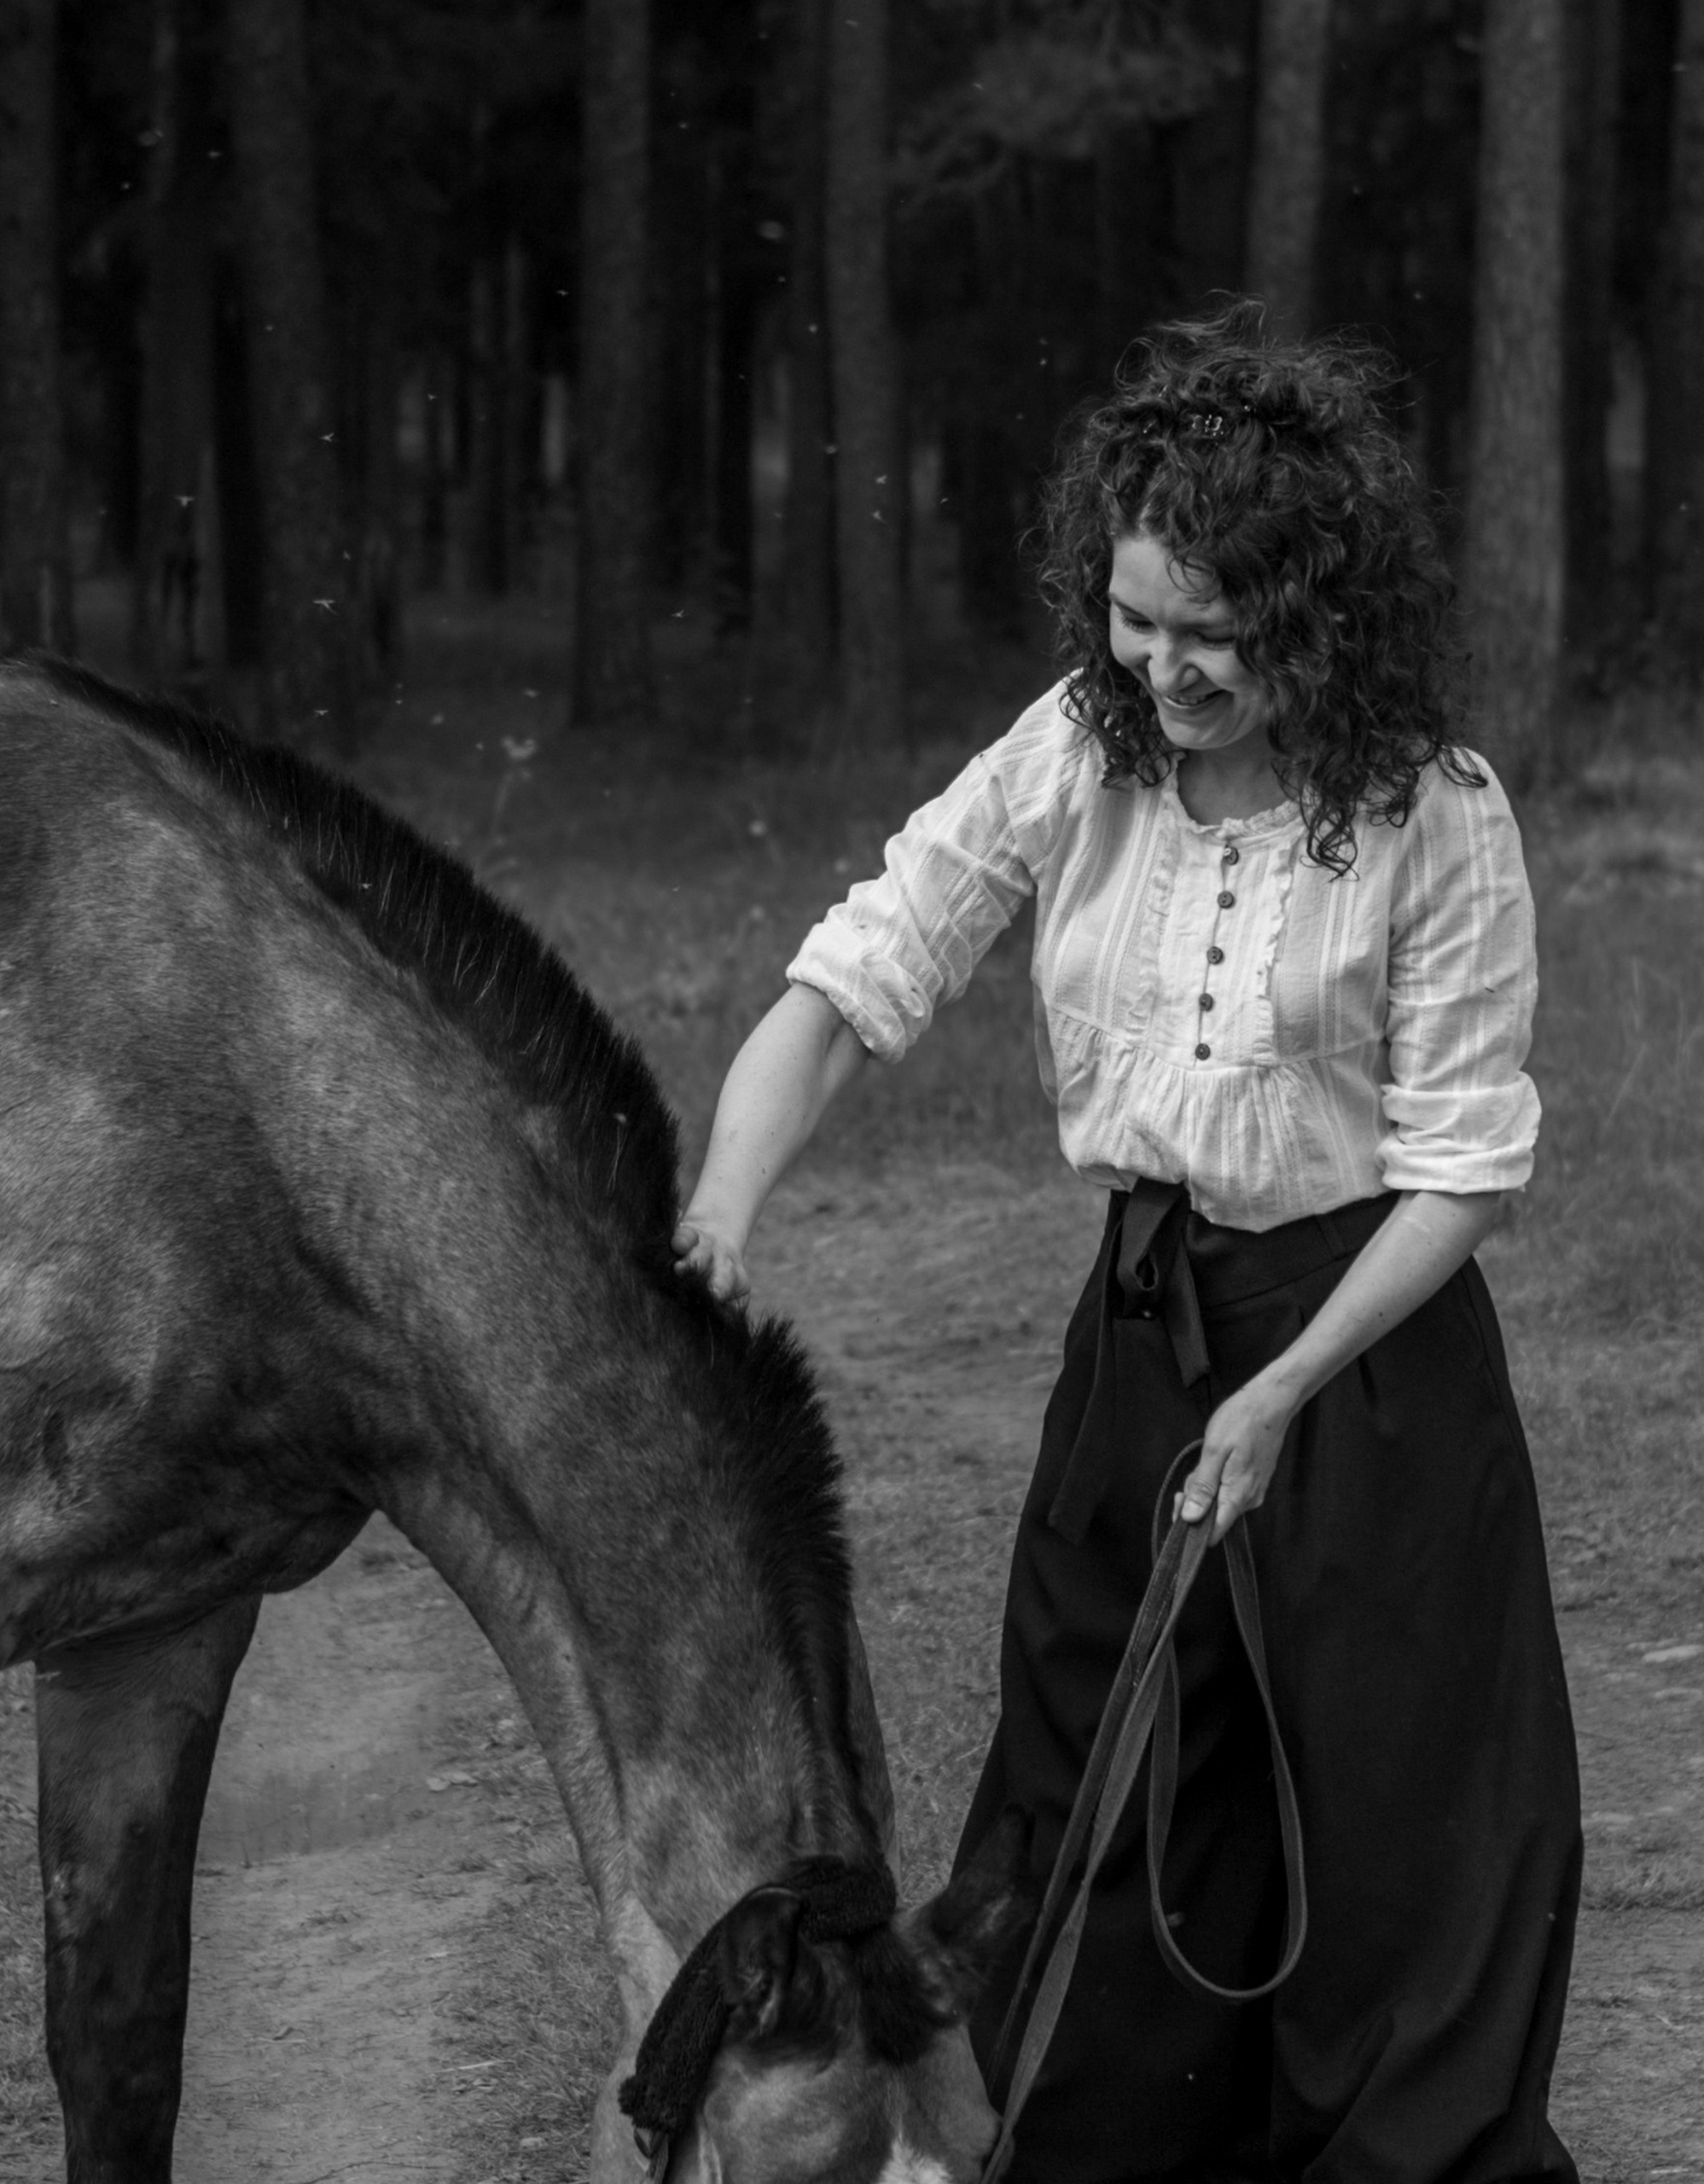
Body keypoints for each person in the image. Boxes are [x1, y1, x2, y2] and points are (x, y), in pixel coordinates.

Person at [672, 308, 1581, 2184]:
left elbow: (1464, 1169)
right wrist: (715, 1225)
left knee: (1392, 1805)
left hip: (1368, 1357)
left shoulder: (1432, 812)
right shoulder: (1068, 757)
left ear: (1310, 614)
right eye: (1132, 614)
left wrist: (1281, 1391)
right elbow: (853, 979)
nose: (1158, 665)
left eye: (1209, 633)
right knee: (1094, 1765)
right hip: (1145, 1333)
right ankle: (1092, 2132)